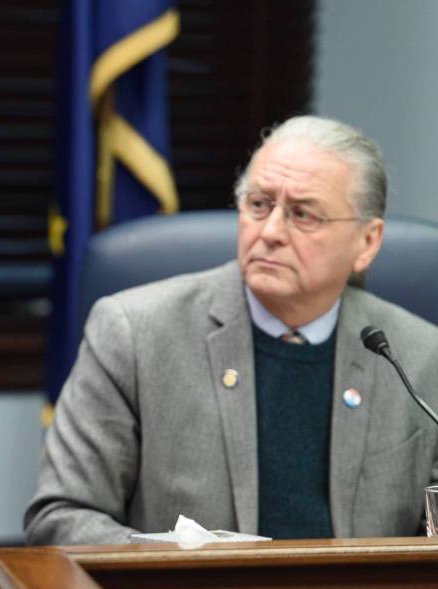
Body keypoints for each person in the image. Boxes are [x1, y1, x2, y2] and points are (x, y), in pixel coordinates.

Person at [25, 115, 438, 546]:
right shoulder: (133, 333)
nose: (271, 232)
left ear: (367, 242)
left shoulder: (420, 356)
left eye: (303, 214)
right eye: (258, 205)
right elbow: (60, 518)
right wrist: (176, 565)